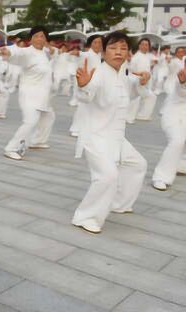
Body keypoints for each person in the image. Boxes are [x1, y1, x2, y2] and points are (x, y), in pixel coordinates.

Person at [72, 31, 149, 234]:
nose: (118, 52)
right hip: (95, 136)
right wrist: (83, 86)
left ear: (128, 53)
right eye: (113, 48)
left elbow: (133, 91)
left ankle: (119, 203)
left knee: (138, 164)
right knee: (107, 176)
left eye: (123, 48)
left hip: (116, 137)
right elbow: (87, 95)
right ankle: (85, 216)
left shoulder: (123, 74)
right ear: (104, 52)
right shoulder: (98, 73)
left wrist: (142, 82)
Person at [0, 26, 55, 160]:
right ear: (30, 39)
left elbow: (55, 53)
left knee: (49, 116)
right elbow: (19, 53)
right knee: (30, 121)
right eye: (36, 36)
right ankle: (11, 148)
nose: (39, 39)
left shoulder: (44, 53)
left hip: (43, 95)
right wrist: (8, 53)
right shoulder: (28, 52)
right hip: (29, 94)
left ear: (46, 40)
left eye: (42, 36)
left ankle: (37, 140)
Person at [151, 46, 186, 191]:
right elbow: (181, 92)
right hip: (173, 116)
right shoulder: (181, 78)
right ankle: (161, 177)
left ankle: (180, 165)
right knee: (177, 141)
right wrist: (183, 84)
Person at [69, 34, 103, 137]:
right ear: (91, 44)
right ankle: (75, 129)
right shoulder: (87, 54)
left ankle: (88, 128)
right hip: (85, 84)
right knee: (82, 107)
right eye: (95, 42)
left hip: (96, 84)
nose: (98, 45)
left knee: (93, 108)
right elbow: (80, 54)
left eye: (100, 43)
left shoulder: (100, 55)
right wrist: (76, 53)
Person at [128, 38, 158, 122]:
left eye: (146, 45)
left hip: (145, 80)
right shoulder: (136, 57)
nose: (145, 46)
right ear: (139, 45)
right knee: (146, 97)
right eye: (143, 44)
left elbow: (148, 66)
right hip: (137, 81)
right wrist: (141, 75)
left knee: (148, 97)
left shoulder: (146, 56)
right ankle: (137, 116)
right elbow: (131, 71)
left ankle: (142, 115)